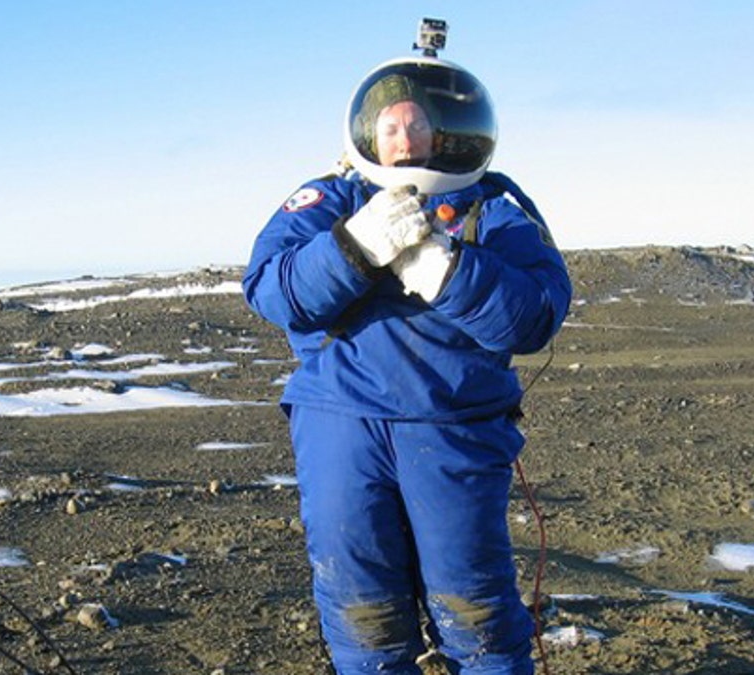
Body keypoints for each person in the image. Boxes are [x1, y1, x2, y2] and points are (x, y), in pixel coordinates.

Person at [242, 35, 573, 675]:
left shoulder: (491, 209)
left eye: (414, 123)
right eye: (389, 125)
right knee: (362, 612)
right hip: (343, 426)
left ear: (441, 130)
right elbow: (271, 288)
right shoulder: (331, 200)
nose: (401, 138)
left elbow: (535, 314)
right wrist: (350, 250)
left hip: (453, 429)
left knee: (474, 607)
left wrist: (448, 270)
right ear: (368, 131)